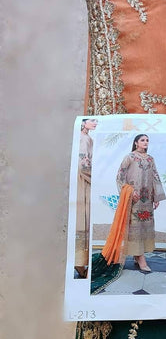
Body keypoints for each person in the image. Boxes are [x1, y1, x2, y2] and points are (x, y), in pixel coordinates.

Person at [116, 134, 166, 272]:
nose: (146, 142)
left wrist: (156, 197)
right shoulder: (130, 157)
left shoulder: (150, 159)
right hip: (134, 198)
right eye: (142, 140)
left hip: (147, 198)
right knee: (135, 227)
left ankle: (137, 255)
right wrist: (130, 192)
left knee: (144, 227)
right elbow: (120, 176)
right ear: (136, 143)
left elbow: (155, 177)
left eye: (147, 140)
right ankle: (141, 260)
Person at [74, 117, 97, 278]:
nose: (95, 123)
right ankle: (79, 263)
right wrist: (97, 178)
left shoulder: (85, 137)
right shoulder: (84, 139)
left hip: (81, 180)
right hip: (83, 181)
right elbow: (83, 165)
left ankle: (79, 262)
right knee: (82, 218)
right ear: (83, 123)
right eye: (92, 121)